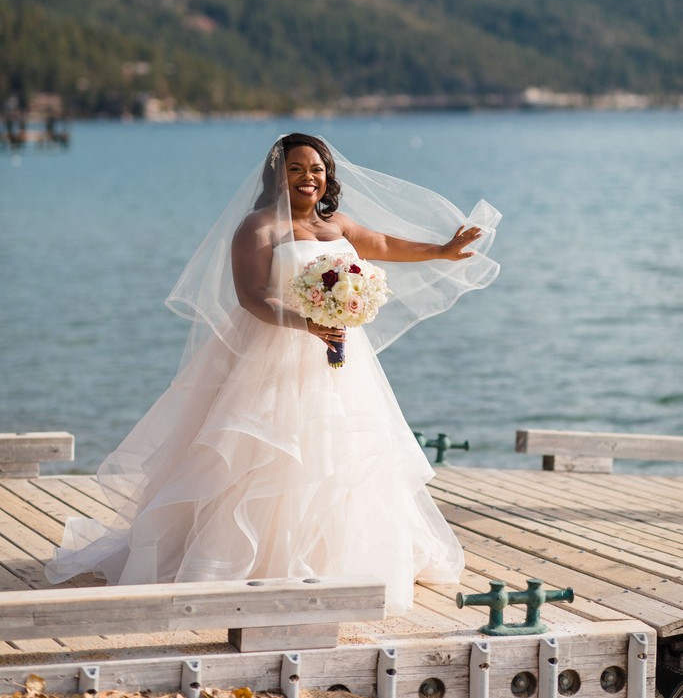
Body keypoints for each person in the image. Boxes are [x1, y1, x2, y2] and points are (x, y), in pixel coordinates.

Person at [46, 133, 500, 614]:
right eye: (297, 169)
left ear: (329, 177)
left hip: (342, 355)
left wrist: (442, 250)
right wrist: (308, 323)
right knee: (266, 457)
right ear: (277, 175)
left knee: (342, 452)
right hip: (275, 353)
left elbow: (383, 243)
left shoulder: (338, 223)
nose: (309, 178)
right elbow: (251, 298)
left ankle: (340, 560)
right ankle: (249, 560)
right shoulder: (257, 227)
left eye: (317, 169)